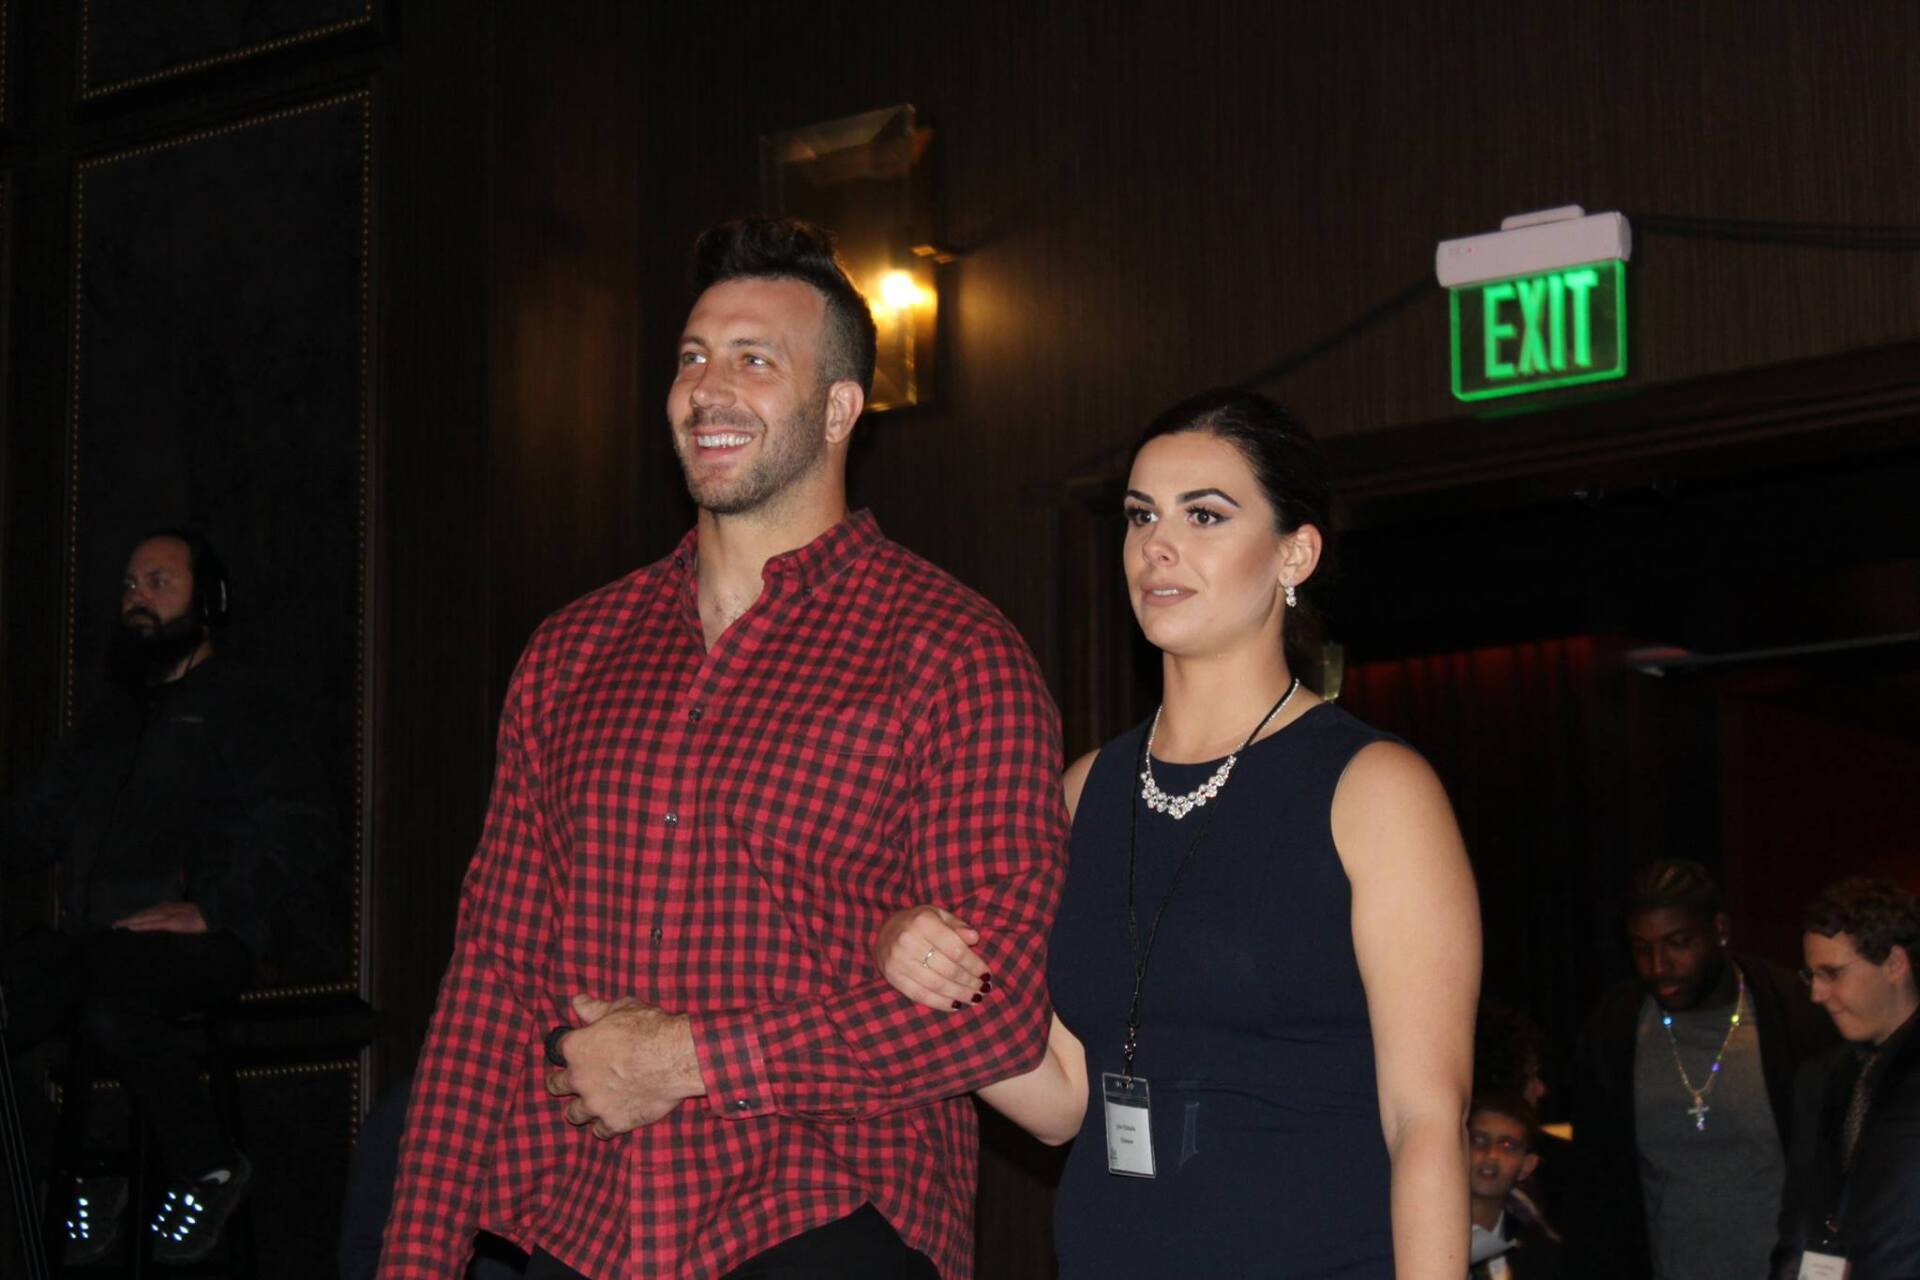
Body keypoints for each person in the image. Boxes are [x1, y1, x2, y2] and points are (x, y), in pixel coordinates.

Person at [378, 217, 1068, 1280]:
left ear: (841, 408)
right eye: (694, 357)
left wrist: (689, 1058)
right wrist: (415, 1259)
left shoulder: (951, 651)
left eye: (755, 359)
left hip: (821, 1210)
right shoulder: (572, 652)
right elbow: (492, 979)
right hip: (580, 1223)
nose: (710, 386)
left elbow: (1001, 1012)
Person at [877, 389, 1479, 1277]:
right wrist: (923, 974)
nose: (1157, 544)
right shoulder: (1086, 791)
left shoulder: (1375, 789)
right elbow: (1063, 1101)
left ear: (1295, 553)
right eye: (1140, 515)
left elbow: (1426, 1120)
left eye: (1204, 515)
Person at [0, 528, 342, 1265]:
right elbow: (29, 826)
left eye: (159, 582)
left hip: (206, 944)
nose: (138, 600)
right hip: (99, 956)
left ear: (208, 600)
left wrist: (215, 908)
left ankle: (197, 1167)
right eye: (129, 586)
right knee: (94, 1001)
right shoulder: (105, 726)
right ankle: (122, 1172)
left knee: (74, 988)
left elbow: (305, 833)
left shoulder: (249, 708)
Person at [1566, 859, 1834, 1280]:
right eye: (1641, 948)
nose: (1658, 965)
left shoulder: (1795, 1017)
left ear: (1721, 931)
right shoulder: (1614, 1030)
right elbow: (1596, 1189)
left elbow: (1837, 1168)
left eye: (1678, 942)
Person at [1772, 876, 1920, 1280]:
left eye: (1832, 973)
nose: (1816, 994)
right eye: (1810, 975)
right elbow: (1798, 1225)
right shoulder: (1819, 1077)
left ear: (1894, 964)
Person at [1466, 1091, 1566, 1280]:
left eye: (1508, 1146)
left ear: (1527, 1166)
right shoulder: (1410, 1233)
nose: (1491, 1154)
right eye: (1478, 1141)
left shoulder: (1540, 1255)